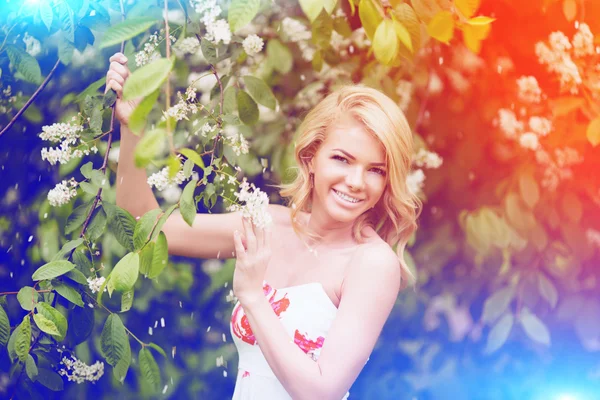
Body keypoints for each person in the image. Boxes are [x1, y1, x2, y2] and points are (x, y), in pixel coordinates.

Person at [106, 51, 421, 399]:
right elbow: (147, 229)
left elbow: (320, 392)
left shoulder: (372, 263)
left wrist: (253, 297)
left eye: (375, 169)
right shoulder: (266, 224)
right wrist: (132, 127)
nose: (356, 181)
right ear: (311, 157)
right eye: (342, 159)